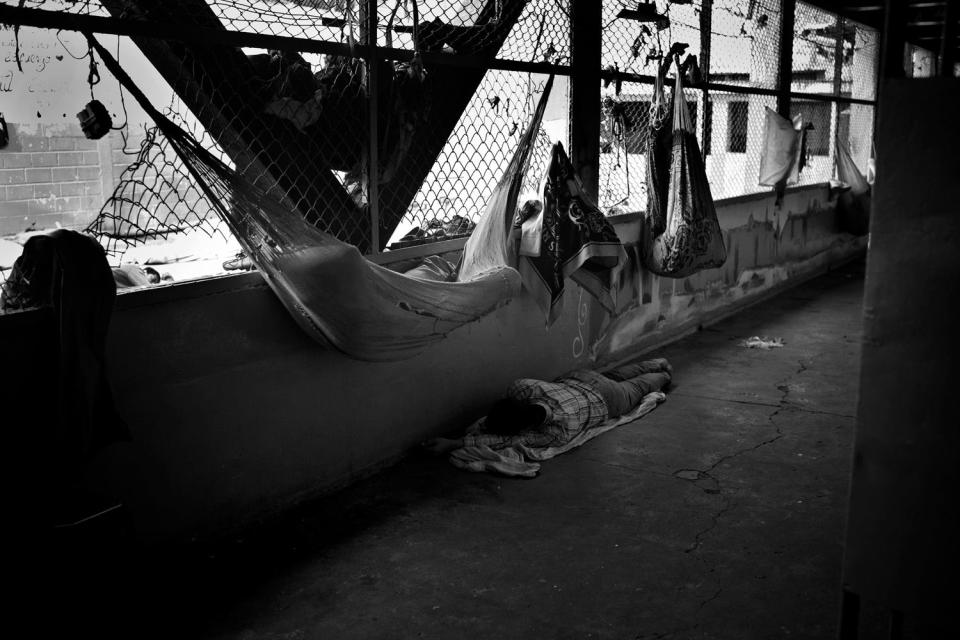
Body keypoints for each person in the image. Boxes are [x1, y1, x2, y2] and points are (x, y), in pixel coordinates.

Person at [423, 358, 672, 455]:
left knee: (639, 387)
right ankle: (658, 362)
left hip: (605, 401)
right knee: (617, 374)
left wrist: (453, 443)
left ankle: (663, 375)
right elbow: (513, 402)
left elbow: (501, 442)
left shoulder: (553, 433)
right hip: (581, 378)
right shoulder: (523, 388)